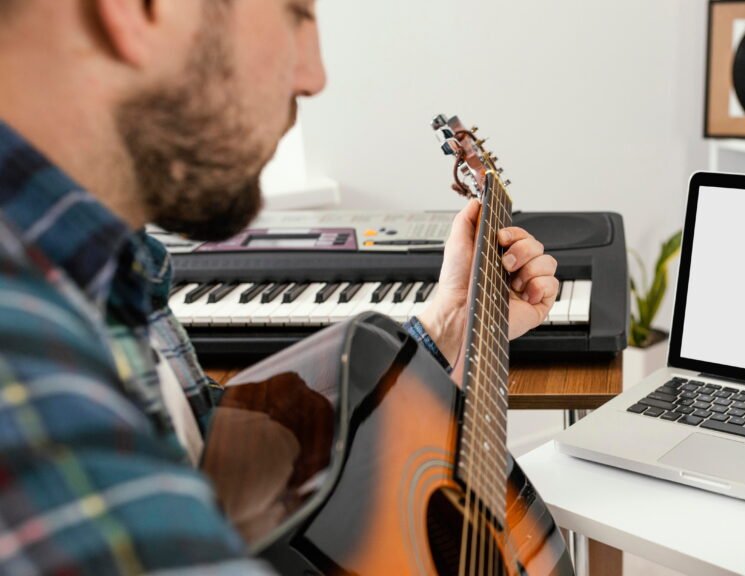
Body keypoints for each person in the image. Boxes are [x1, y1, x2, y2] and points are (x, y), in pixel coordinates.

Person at [0, 1, 559, 573]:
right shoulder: (24, 360)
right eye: (295, 13)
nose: (314, 78)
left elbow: (224, 458)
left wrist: (449, 322)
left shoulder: (105, 267)